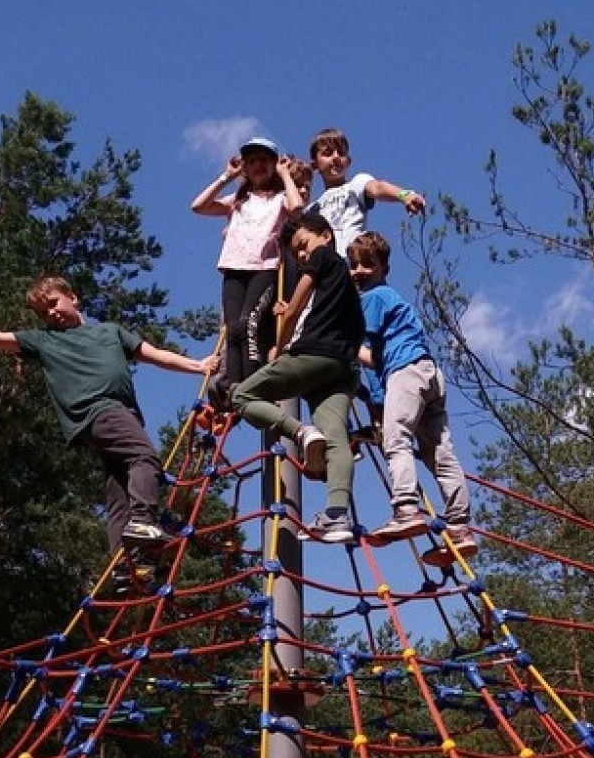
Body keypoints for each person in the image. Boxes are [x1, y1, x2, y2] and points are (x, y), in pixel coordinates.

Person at [0, 276, 216, 553]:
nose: (51, 314)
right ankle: (142, 520)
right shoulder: (45, 340)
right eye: (43, 313)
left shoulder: (110, 332)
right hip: (100, 410)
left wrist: (197, 366)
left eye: (53, 304)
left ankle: (125, 566)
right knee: (145, 458)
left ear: (73, 297)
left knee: (120, 492)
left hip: (116, 419)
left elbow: (154, 354)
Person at [232, 210, 364, 544]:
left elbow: (293, 310)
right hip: (342, 367)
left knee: (242, 396)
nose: (302, 256)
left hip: (312, 356)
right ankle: (337, 514)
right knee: (336, 436)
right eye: (297, 254)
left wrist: (278, 348)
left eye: (302, 246)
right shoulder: (345, 283)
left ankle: (301, 432)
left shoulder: (323, 256)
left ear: (325, 235)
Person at [346, 231, 477, 564]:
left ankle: (406, 508)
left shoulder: (373, 298)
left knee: (397, 439)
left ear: (383, 267)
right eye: (354, 265)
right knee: (439, 453)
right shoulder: (393, 299)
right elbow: (375, 359)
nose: (360, 271)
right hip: (428, 373)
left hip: (405, 371)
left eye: (367, 264)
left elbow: (361, 344)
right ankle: (460, 528)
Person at [191, 138, 303, 394]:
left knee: (248, 323)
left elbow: (297, 209)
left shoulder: (280, 199)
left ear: (274, 164)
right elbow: (198, 206)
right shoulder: (238, 200)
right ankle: (233, 384)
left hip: (264, 268)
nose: (257, 165)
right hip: (234, 268)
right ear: (244, 168)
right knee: (233, 328)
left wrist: (286, 174)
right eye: (251, 161)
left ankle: (252, 381)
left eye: (264, 160)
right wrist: (227, 177)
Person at [309, 126, 426, 257]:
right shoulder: (312, 209)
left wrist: (405, 195)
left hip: (348, 264)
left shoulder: (354, 185)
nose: (336, 157)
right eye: (328, 153)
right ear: (315, 166)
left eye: (341, 153)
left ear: (348, 162)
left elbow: (378, 188)